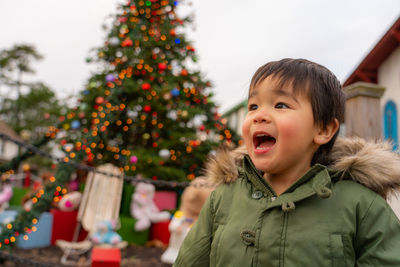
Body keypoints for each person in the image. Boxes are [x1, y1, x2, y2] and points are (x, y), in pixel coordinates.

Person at [174, 58, 400, 266]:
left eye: (280, 105)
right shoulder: (222, 198)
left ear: (324, 129)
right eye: (253, 106)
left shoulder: (361, 205)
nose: (258, 115)